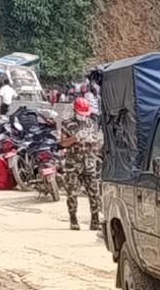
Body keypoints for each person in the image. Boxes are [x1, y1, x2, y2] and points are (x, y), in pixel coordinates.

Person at [58, 99, 103, 231]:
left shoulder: (91, 124)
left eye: (84, 113)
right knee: (72, 193)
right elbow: (62, 143)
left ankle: (95, 221)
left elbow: (98, 143)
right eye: (80, 113)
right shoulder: (67, 124)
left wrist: (92, 140)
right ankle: (73, 219)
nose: (83, 116)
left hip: (89, 163)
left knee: (94, 192)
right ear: (74, 110)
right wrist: (75, 138)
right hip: (73, 164)